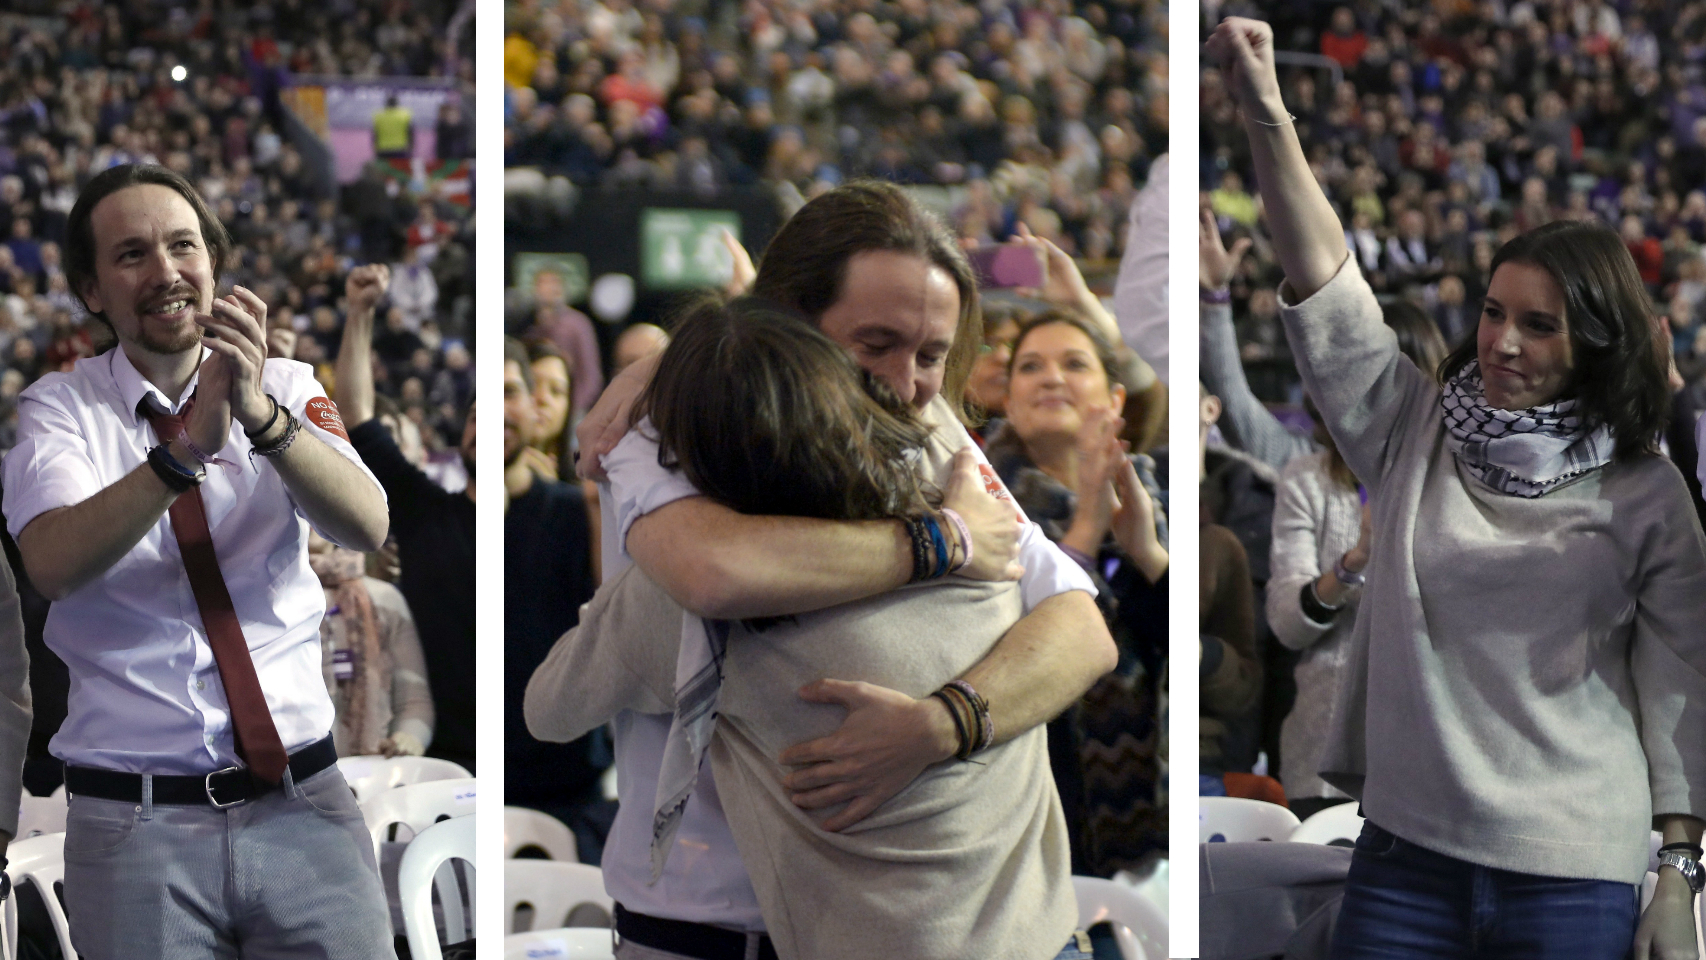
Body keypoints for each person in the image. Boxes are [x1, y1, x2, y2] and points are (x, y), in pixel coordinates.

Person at [1210, 18, 1706, 959]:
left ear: (1594, 342)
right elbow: (1325, 282)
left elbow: (1682, 693)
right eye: (1490, 311)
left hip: (1576, 870)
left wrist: (1677, 880)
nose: (1502, 342)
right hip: (1405, 860)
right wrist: (1267, 112)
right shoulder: (1413, 428)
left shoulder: (1648, 494)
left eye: (1539, 325)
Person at [545, 180, 1116, 960]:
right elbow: (712, 571)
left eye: (932, 355)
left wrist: (943, 723)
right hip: (705, 927)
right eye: (874, 343)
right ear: (787, 325)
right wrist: (940, 543)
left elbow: (1080, 627)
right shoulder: (661, 430)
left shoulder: (925, 429)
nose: (907, 382)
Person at [1, 163, 393, 957]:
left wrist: (258, 414)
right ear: (90, 291)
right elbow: (50, 562)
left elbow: (369, 523)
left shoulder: (283, 382)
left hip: (305, 804)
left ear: (213, 264)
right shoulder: (60, 409)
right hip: (137, 829)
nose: (166, 271)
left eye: (184, 246)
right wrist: (182, 456)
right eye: (132, 254)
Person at [1200, 210, 1449, 816]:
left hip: (1435, 759)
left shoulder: (1458, 478)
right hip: (1324, 762)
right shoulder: (1304, 475)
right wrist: (1355, 561)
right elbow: (1287, 622)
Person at [984, 308, 1170, 875]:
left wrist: (1148, 555)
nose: (1052, 378)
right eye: (1031, 367)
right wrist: (1087, 523)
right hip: (1029, 801)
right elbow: (1019, 650)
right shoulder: (981, 505)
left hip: (1146, 816)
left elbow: (1183, 653)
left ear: (1114, 399)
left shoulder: (1150, 496)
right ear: (1010, 402)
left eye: (1074, 364)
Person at [334, 262, 477, 774]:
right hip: (434, 758)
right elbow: (356, 419)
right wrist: (360, 313)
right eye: (480, 411)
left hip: (547, 772)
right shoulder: (427, 511)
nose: (492, 422)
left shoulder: (568, 514)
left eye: (509, 399)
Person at [500, 337, 604, 863]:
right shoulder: (458, 506)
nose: (539, 402)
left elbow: (608, 607)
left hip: (568, 763)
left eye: (553, 390)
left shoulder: (581, 504)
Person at [309, 531, 433, 759]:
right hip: (301, 779)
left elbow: (414, 700)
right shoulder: (268, 602)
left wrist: (409, 738)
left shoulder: (384, 599)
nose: (306, 520)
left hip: (375, 773)